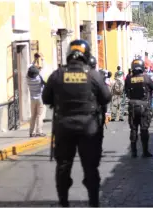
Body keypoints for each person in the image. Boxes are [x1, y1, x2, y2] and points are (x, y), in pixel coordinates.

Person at [42, 40, 112, 207]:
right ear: (86, 55)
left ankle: (64, 203)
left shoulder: (58, 74)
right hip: (89, 127)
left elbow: (46, 98)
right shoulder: (93, 75)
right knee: (90, 168)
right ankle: (94, 203)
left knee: (63, 166)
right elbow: (106, 97)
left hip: (64, 126)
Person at [125, 59, 153, 158]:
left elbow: (126, 91)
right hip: (144, 106)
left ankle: (134, 152)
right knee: (144, 129)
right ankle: (145, 151)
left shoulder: (128, 79)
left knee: (133, 129)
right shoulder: (146, 78)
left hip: (133, 106)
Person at [27, 65, 46, 137]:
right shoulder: (38, 78)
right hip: (40, 98)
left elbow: (30, 68)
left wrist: (34, 64)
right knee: (39, 115)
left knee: (33, 116)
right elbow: (43, 80)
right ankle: (39, 131)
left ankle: (31, 132)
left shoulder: (28, 78)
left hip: (32, 99)